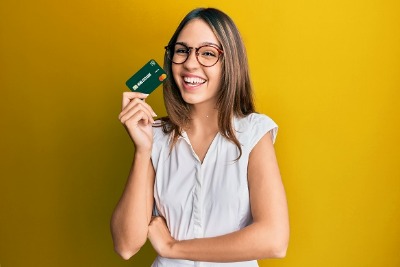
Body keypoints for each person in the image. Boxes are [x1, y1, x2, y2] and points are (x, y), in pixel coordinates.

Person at [111, 7, 289, 266]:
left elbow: (274, 240)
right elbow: (126, 246)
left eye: (207, 53)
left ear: (230, 62)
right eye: (182, 51)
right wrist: (142, 150)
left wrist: (173, 248)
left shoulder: (253, 132)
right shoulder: (156, 135)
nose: (190, 63)